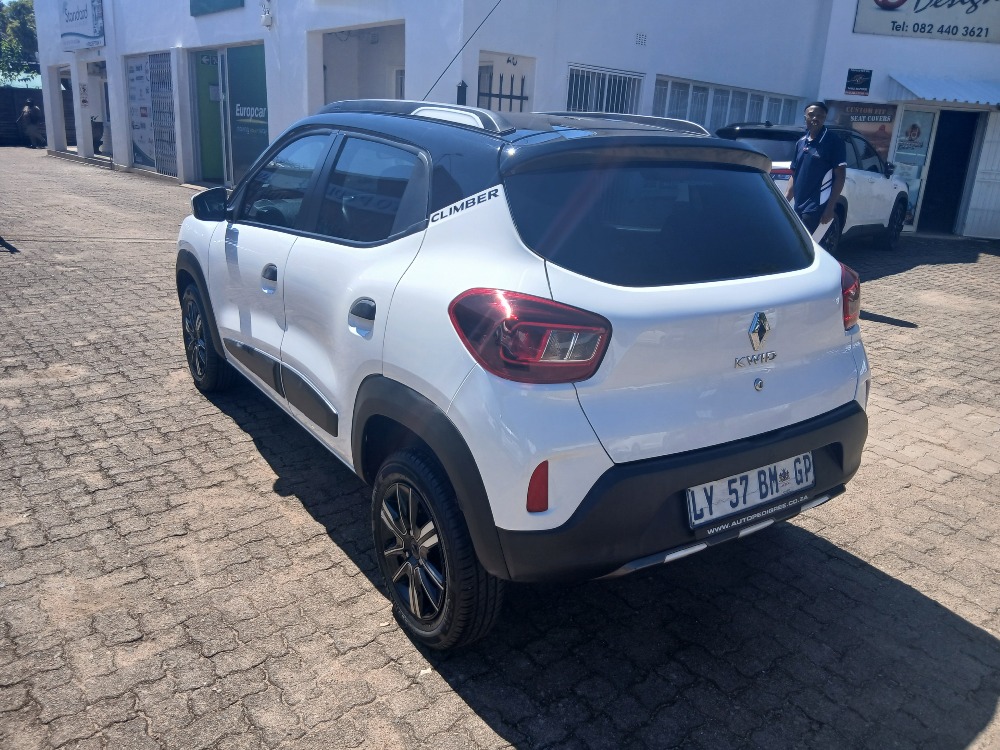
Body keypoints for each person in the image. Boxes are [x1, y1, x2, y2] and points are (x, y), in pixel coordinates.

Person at [784, 101, 846, 235]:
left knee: (806, 242)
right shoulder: (800, 143)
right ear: (805, 117)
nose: (815, 118)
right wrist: (785, 201)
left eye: (820, 116)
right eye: (811, 115)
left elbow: (840, 176)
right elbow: (795, 174)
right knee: (797, 241)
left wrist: (830, 208)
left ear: (824, 118)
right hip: (798, 205)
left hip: (817, 206)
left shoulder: (834, 142)